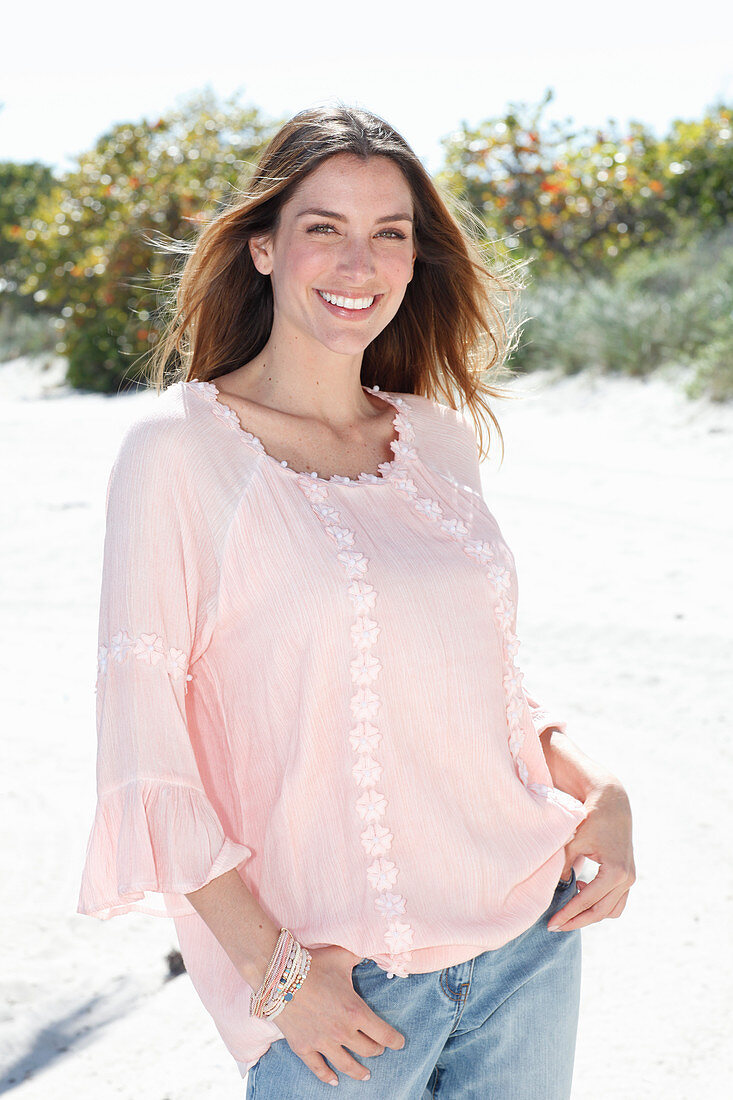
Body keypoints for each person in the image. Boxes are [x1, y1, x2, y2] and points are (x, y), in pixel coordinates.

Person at [77, 104, 635, 1098]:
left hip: (528, 941)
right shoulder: (176, 456)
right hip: (343, 991)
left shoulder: (435, 439)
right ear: (262, 246)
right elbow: (144, 748)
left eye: (390, 233)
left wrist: (601, 792)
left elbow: (482, 686)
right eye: (322, 227)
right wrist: (276, 975)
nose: (357, 262)